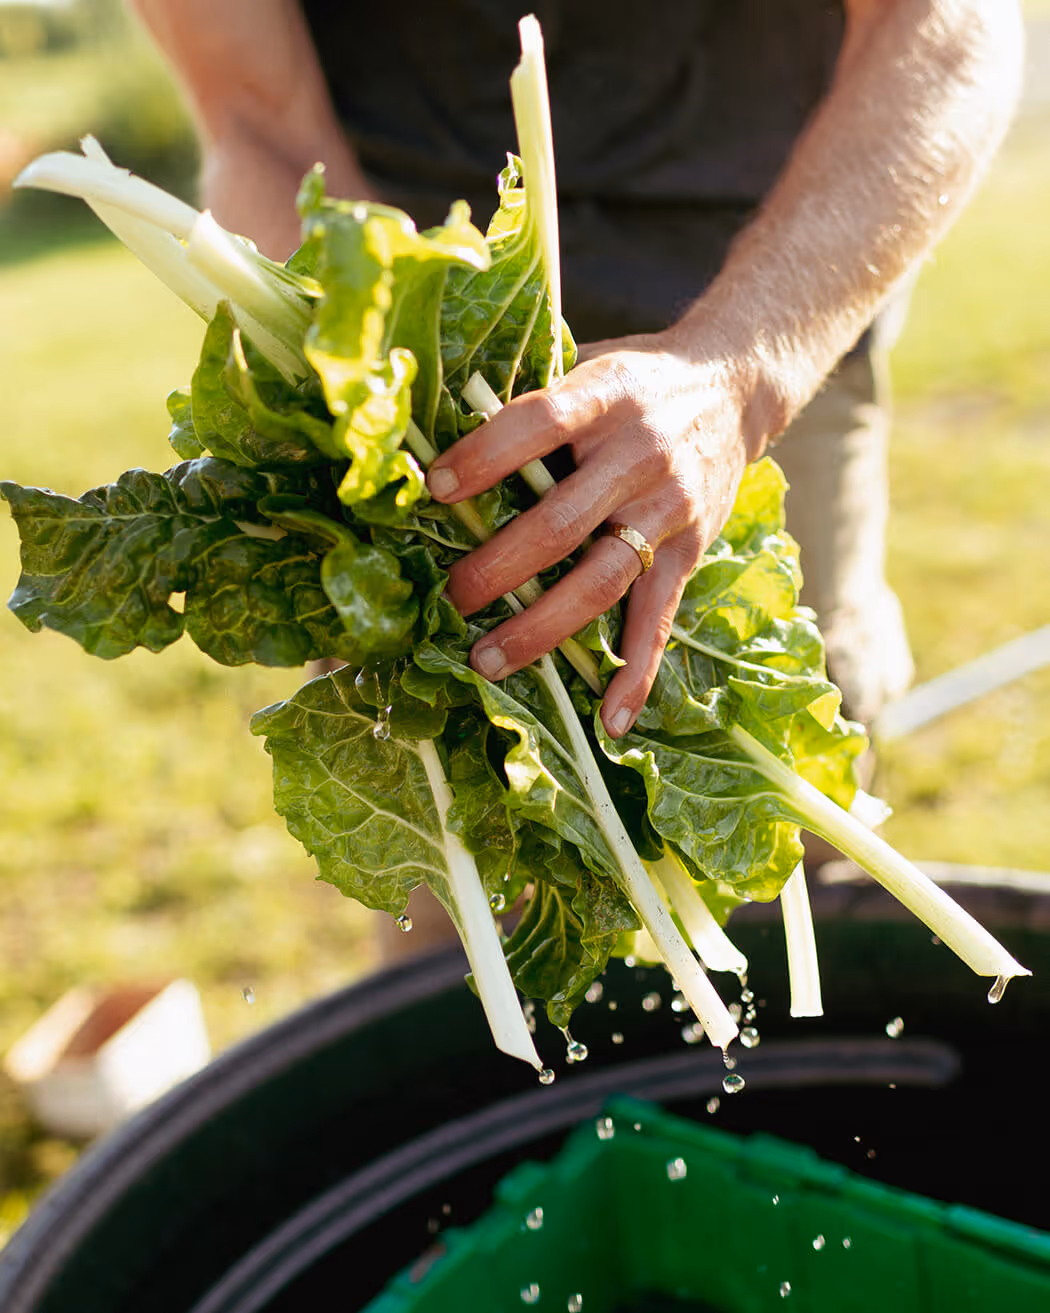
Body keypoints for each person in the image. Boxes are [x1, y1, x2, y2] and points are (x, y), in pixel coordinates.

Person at [132, 0, 1022, 947]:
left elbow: (949, 23)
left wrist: (735, 376)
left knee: (765, 836)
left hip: (774, 288)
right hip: (430, 363)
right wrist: (392, 388)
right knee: (479, 909)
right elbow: (260, 118)